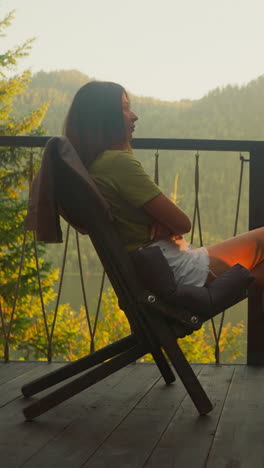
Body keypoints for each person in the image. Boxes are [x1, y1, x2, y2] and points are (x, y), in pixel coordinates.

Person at [64, 81, 264, 290]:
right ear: (103, 118)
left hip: (153, 270)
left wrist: (161, 220)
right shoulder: (116, 163)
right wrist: (167, 222)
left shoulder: (93, 167)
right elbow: (183, 224)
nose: (134, 116)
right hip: (174, 269)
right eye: (124, 109)